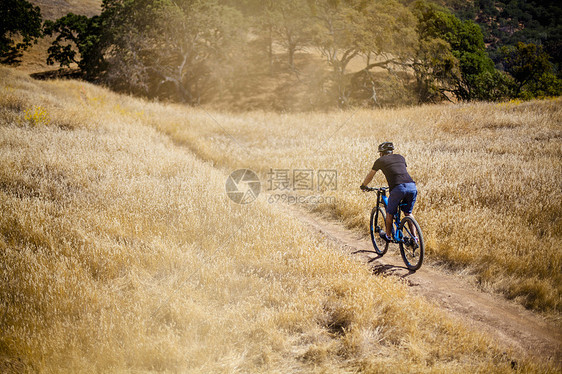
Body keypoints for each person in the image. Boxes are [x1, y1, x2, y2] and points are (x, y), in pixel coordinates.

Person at [360, 142, 418, 243]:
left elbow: (371, 175)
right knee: (408, 213)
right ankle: (415, 238)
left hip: (398, 189)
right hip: (412, 186)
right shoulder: (401, 157)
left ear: (381, 153)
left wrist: (363, 185)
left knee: (390, 213)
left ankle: (388, 236)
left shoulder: (380, 160)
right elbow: (399, 171)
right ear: (391, 151)